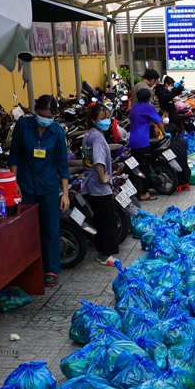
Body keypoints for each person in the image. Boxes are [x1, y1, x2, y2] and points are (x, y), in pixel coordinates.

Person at [8, 94, 70, 288]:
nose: (45, 120)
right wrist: (13, 182)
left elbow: (63, 164)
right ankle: (28, 266)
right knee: (26, 228)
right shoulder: (23, 126)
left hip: (49, 186)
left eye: (49, 116)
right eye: (42, 114)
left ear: (54, 116)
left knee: (50, 228)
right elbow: (14, 155)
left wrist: (65, 194)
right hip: (25, 185)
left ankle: (51, 268)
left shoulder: (58, 132)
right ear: (35, 111)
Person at [80, 105, 120, 267]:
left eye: (108, 116)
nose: (107, 120)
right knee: (107, 221)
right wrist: (103, 177)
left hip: (91, 185)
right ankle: (106, 256)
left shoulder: (89, 134)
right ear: (95, 119)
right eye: (103, 117)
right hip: (99, 187)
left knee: (100, 219)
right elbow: (98, 160)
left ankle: (100, 253)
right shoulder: (97, 137)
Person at [128, 87, 165, 201]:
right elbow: (159, 121)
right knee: (144, 168)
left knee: (136, 168)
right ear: (149, 98)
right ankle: (144, 193)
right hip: (142, 142)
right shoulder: (148, 107)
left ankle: (138, 191)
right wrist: (165, 133)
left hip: (132, 141)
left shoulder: (134, 108)